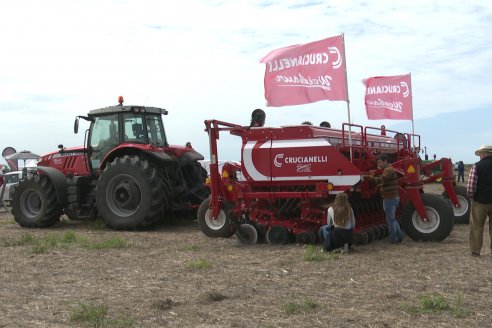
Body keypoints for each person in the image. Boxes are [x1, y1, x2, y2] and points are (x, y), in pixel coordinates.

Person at [365, 154, 403, 244]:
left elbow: (382, 179)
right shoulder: (388, 169)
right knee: (392, 219)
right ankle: (399, 237)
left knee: (390, 220)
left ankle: (393, 239)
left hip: (389, 198)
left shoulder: (388, 170)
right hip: (392, 197)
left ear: (385, 161)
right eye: (378, 163)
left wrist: (370, 178)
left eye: (380, 162)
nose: (379, 164)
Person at [466, 145, 492, 257]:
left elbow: (471, 187)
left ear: (484, 154)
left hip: (480, 201)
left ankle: (476, 251)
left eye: (480, 154)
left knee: (476, 226)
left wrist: (472, 197)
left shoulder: (476, 166)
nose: (480, 156)